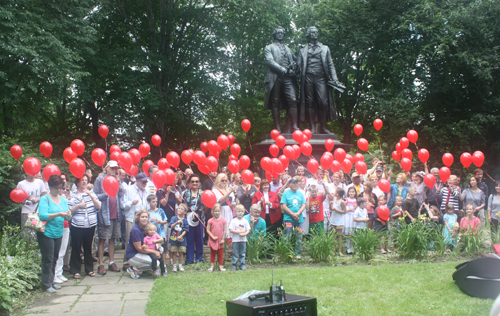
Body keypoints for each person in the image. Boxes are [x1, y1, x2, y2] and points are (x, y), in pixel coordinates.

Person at [297, 26, 342, 134]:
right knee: (309, 102)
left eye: (316, 32)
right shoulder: (302, 49)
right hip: (308, 77)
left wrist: (335, 79)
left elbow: (330, 64)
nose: (315, 34)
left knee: (323, 102)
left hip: (320, 77)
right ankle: (312, 127)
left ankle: (323, 127)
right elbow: (298, 66)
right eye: (313, 32)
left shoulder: (325, 48)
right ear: (308, 35)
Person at [37, 175, 71, 293]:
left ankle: (51, 281)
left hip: (58, 232)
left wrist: (68, 214)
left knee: (55, 257)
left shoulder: (62, 199)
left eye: (60, 187)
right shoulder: (45, 199)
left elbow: (67, 213)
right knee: (48, 258)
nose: (59, 190)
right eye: (56, 188)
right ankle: (46, 284)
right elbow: (43, 215)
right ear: (50, 186)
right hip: (46, 233)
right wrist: (58, 214)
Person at [264, 26, 300, 133]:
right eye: (278, 33)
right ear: (274, 34)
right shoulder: (269, 47)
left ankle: (294, 126)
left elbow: (296, 62)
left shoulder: (288, 49)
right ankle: (277, 128)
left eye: (282, 33)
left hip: (288, 78)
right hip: (275, 77)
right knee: (275, 102)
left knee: (293, 100)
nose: (280, 34)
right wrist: (282, 69)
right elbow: (270, 61)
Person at [94, 160, 124, 275]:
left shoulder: (116, 179)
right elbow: (95, 195)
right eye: (112, 168)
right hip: (104, 214)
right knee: (102, 239)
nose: (114, 170)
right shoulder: (100, 179)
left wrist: (118, 180)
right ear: (106, 168)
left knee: (112, 239)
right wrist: (105, 194)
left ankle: (111, 262)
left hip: (115, 213)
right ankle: (101, 264)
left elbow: (121, 193)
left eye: (116, 168)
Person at [67, 175, 100, 279]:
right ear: (77, 182)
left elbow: (98, 206)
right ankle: (75, 270)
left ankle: (89, 269)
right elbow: (69, 210)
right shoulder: (72, 195)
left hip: (90, 225)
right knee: (76, 247)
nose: (84, 182)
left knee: (88, 247)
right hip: (77, 225)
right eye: (82, 180)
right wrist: (78, 206)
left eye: (86, 180)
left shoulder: (91, 194)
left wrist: (91, 195)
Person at [122, 172, 149, 269]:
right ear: (137, 182)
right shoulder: (129, 190)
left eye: (146, 181)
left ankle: (142, 262)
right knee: (130, 240)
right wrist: (131, 203)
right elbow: (123, 205)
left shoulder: (147, 190)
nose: (145, 183)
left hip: (144, 219)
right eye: (143, 182)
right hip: (132, 218)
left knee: (143, 240)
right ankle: (126, 263)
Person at [125, 210, 161, 279]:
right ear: (138, 218)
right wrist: (154, 252)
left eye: (146, 217)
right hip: (133, 255)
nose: (144, 218)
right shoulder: (135, 230)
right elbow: (139, 249)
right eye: (142, 217)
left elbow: (158, 237)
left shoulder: (146, 227)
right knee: (156, 263)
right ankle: (133, 268)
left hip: (143, 251)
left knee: (161, 249)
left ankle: (145, 269)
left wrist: (159, 242)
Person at [280, 176, 306, 259]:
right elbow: (284, 206)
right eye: (294, 183)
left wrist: (297, 213)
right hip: (288, 219)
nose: (295, 185)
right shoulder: (286, 193)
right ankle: (287, 253)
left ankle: (297, 253)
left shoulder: (300, 194)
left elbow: (303, 205)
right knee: (287, 235)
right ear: (290, 184)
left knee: (298, 236)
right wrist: (292, 214)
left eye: (297, 183)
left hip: (299, 219)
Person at [182, 174, 204, 264]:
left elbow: (206, 206)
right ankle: (189, 259)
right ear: (189, 183)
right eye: (193, 181)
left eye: (196, 181)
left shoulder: (203, 193)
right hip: (189, 219)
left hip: (200, 218)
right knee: (189, 239)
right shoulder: (186, 193)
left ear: (199, 183)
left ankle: (199, 259)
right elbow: (183, 206)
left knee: (199, 239)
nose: (195, 183)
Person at [147, 194, 168, 272]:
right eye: (153, 202)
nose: (155, 203)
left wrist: (160, 222)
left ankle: (164, 266)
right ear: (148, 202)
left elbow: (165, 220)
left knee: (163, 250)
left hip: (161, 234)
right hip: (151, 236)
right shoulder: (147, 212)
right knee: (153, 249)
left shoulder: (160, 210)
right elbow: (146, 224)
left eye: (156, 201)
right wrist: (150, 221)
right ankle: (155, 267)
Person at [213, 173, 237, 238]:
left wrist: (233, 204)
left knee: (229, 228)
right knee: (221, 228)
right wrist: (230, 191)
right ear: (218, 181)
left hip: (229, 211)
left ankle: (228, 245)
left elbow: (233, 200)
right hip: (221, 211)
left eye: (225, 180)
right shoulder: (215, 190)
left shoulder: (228, 189)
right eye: (222, 180)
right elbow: (220, 200)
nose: (224, 182)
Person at [229, 205, 251, 271]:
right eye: (238, 211)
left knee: (242, 253)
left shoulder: (245, 221)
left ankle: (242, 264)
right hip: (235, 240)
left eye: (241, 211)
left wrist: (244, 234)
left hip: (243, 240)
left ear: (244, 212)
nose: (240, 213)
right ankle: (234, 265)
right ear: (235, 212)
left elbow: (248, 230)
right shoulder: (233, 221)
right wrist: (238, 232)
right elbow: (231, 230)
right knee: (235, 253)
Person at [206, 203, 227, 272]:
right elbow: (207, 230)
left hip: (220, 240)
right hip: (213, 240)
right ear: (212, 212)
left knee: (220, 254)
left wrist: (223, 239)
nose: (217, 213)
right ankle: (212, 266)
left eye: (218, 211)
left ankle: (221, 266)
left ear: (220, 211)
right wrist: (212, 237)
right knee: (212, 253)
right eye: (215, 211)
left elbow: (225, 230)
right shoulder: (210, 220)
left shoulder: (223, 221)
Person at [169, 203, 189, 272]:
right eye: (179, 208)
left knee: (181, 252)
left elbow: (186, 230)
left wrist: (181, 236)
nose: (179, 210)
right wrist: (176, 223)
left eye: (181, 209)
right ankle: (174, 266)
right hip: (173, 239)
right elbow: (171, 226)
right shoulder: (174, 218)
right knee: (174, 252)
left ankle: (180, 265)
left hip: (182, 240)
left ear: (185, 212)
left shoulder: (185, 220)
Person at [329, 188, 346, 256]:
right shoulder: (334, 199)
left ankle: (340, 250)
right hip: (333, 219)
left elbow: (344, 211)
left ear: (338, 194)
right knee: (333, 235)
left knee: (339, 235)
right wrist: (330, 205)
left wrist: (336, 210)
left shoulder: (342, 202)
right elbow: (331, 209)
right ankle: (333, 250)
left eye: (335, 192)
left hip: (339, 220)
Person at [343, 187, 357, 254]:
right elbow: (344, 209)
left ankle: (352, 247)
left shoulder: (356, 200)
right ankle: (348, 248)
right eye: (350, 192)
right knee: (348, 234)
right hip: (348, 217)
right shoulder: (346, 199)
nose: (351, 193)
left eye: (353, 192)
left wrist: (356, 207)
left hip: (353, 217)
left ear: (355, 193)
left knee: (353, 234)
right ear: (348, 192)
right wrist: (349, 209)